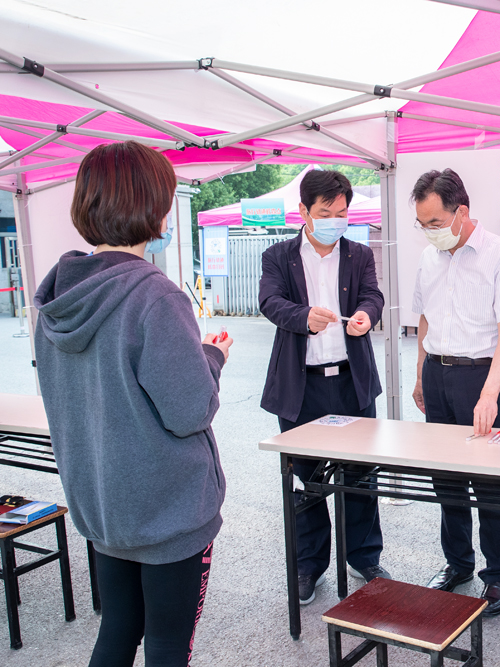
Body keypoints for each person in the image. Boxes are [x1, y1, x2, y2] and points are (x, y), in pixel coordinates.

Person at [34, 141, 232, 667]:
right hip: (167, 509)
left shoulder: (56, 298)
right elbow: (190, 411)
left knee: (118, 631)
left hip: (103, 502)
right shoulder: (155, 295)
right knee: (167, 645)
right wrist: (211, 357)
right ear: (152, 206)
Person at [259, 169, 389, 606]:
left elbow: (373, 295)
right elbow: (270, 302)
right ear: (304, 211)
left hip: (352, 381)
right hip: (303, 387)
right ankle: (309, 565)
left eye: (342, 212)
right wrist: (303, 317)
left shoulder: (358, 254)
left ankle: (364, 557)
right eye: (326, 212)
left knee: (361, 476)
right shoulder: (278, 256)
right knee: (306, 480)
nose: (336, 220)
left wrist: (368, 314)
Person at [410, 168, 500, 616]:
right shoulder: (428, 257)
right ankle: (457, 563)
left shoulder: (499, 255)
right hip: (437, 373)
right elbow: (424, 319)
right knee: (445, 479)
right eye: (422, 224)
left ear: (461, 212)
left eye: (436, 222)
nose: (429, 231)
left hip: (482, 376)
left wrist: (490, 394)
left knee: (490, 483)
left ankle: (497, 574)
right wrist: (420, 375)